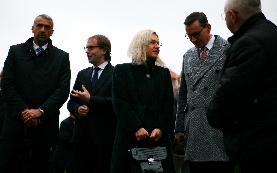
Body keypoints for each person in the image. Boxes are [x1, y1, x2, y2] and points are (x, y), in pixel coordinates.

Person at [207, 0, 277, 173]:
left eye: (224, 15)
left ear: (232, 15)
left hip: (256, 147)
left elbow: (230, 94)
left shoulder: (248, 44)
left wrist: (213, 115)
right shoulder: (276, 35)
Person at [0, 14, 71, 173]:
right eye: (39, 26)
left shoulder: (62, 57)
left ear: (52, 31)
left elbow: (62, 90)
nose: (42, 30)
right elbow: (7, 84)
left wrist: (40, 111)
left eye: (47, 27)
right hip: (15, 126)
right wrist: (23, 111)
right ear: (32, 28)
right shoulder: (15, 51)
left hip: (45, 128)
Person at [175, 12, 234, 173]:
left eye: (196, 34)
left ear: (207, 28)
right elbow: (183, 94)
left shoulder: (228, 50)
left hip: (219, 131)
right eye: (189, 36)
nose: (193, 40)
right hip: (193, 131)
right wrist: (179, 127)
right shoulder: (187, 56)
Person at [110, 29, 175, 173]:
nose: (157, 46)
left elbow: (168, 104)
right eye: (152, 42)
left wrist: (160, 127)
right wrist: (136, 127)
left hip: (157, 139)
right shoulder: (122, 71)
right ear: (140, 45)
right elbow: (119, 102)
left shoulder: (163, 73)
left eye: (158, 43)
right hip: (130, 137)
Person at [67, 34, 116, 173]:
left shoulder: (116, 73)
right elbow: (71, 102)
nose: (87, 51)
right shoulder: (82, 74)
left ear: (104, 50)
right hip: (81, 139)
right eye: (86, 48)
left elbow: (116, 103)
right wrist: (77, 109)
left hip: (105, 140)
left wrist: (90, 100)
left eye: (91, 47)